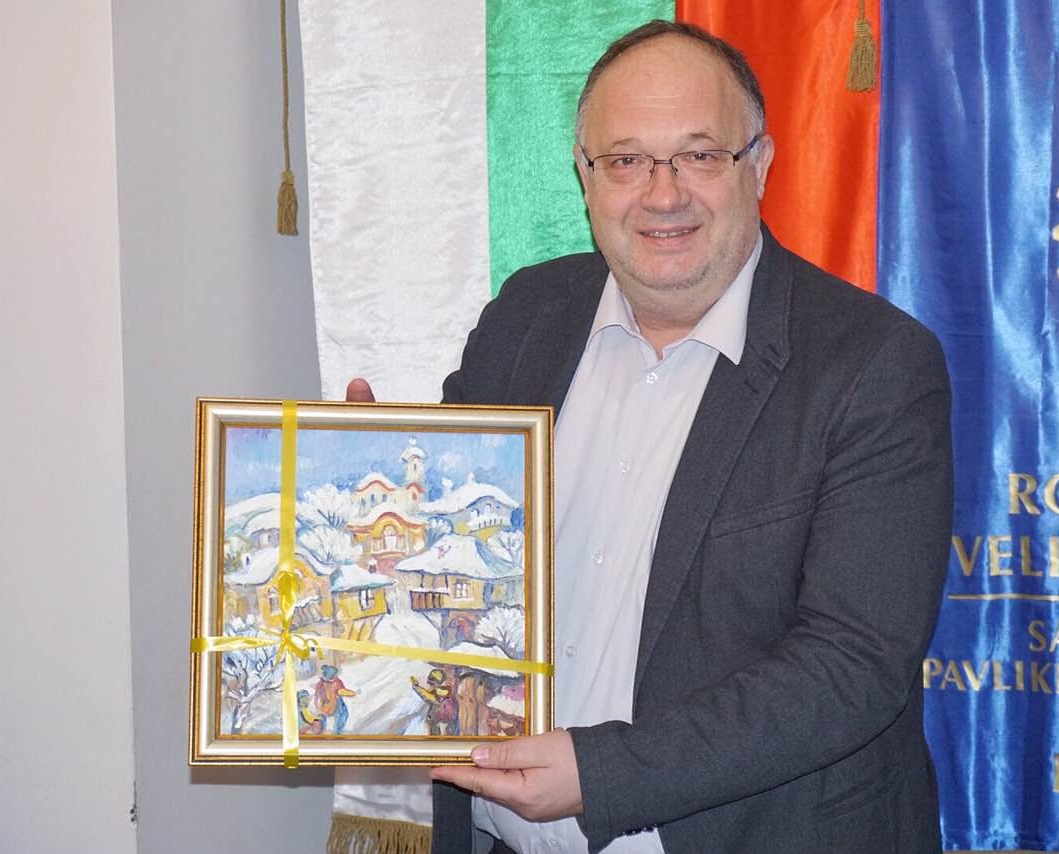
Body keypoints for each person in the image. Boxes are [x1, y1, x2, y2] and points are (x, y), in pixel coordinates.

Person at [350, 18, 951, 853]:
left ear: (760, 166)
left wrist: (602, 774)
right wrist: (361, 477)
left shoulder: (872, 365)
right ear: (585, 175)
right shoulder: (525, 319)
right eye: (626, 160)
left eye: (700, 155)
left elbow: (851, 665)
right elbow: (459, 561)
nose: (663, 195)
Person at [314, 664, 356, 735]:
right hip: (334, 704)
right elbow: (341, 691)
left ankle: (321, 730)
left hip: (323, 705)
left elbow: (317, 695)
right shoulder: (335, 683)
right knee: (342, 714)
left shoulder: (320, 683)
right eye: (335, 674)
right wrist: (353, 693)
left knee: (323, 716)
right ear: (332, 675)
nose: (336, 675)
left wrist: (318, 705)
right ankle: (337, 731)